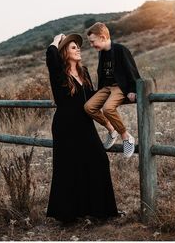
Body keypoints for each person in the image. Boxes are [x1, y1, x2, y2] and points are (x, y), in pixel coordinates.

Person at [46, 33, 118, 223]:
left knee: (99, 160)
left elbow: (92, 96)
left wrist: (115, 91)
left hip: (85, 124)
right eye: (73, 47)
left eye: (79, 46)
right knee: (68, 168)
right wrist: (56, 40)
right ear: (63, 52)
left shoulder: (84, 71)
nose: (78, 48)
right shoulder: (58, 72)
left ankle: (101, 211)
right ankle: (68, 214)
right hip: (65, 126)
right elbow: (50, 53)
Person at [84, 22, 141, 158]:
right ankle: (112, 130)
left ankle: (126, 137)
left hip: (119, 87)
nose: (92, 45)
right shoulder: (102, 53)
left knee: (108, 108)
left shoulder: (121, 50)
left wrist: (133, 89)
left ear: (103, 37)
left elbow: (132, 70)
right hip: (106, 88)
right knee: (88, 107)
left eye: (93, 42)